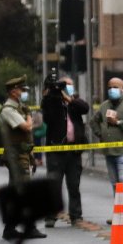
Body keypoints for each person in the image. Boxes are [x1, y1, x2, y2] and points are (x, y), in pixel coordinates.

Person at [0, 75, 44, 239]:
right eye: (21, 90)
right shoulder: (9, 110)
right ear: (13, 92)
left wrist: (31, 156)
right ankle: (29, 227)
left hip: (21, 154)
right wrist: (29, 115)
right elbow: (26, 127)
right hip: (16, 156)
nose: (23, 92)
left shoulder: (19, 108)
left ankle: (10, 228)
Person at [41, 73, 90, 227]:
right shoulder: (52, 101)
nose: (65, 87)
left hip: (73, 151)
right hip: (56, 150)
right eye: (63, 84)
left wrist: (69, 99)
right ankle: (50, 216)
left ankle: (76, 215)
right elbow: (47, 118)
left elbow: (85, 108)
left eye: (68, 85)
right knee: (54, 184)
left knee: (74, 185)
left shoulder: (75, 102)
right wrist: (51, 95)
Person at [92, 77, 123, 224]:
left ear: (122, 88)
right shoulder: (104, 105)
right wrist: (100, 134)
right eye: (110, 87)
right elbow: (93, 121)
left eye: (115, 87)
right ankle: (119, 211)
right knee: (115, 184)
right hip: (109, 151)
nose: (112, 89)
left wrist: (118, 123)